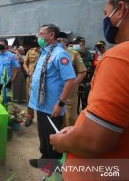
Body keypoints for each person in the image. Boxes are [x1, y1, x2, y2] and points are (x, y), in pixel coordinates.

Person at [50, 0, 129, 179]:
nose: (105, 20)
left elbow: (92, 142)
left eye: (106, 13)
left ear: (121, 10)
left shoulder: (125, 57)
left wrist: (61, 141)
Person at [28, 24, 75, 167]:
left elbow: (70, 79)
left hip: (52, 105)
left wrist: (60, 103)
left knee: (52, 135)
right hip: (40, 103)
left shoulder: (59, 54)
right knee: (43, 134)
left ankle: (53, 164)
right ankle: (44, 158)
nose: (38, 36)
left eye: (41, 33)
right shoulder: (44, 52)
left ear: (51, 35)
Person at [57, 34, 87, 127]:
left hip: (70, 90)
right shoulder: (53, 54)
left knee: (70, 116)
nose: (56, 43)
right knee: (59, 115)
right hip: (57, 89)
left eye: (58, 41)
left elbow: (82, 72)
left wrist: (73, 84)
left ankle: (72, 136)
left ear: (65, 42)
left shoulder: (74, 54)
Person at [71, 36, 94, 112]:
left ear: (82, 44)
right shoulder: (72, 55)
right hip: (75, 85)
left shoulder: (91, 55)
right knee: (74, 108)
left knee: (86, 107)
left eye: (76, 44)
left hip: (86, 85)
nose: (74, 45)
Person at [23, 39, 40, 127]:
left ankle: (42, 119)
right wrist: (28, 72)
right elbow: (25, 64)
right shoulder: (30, 51)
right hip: (30, 78)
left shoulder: (46, 51)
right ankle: (30, 117)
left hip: (42, 80)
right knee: (29, 98)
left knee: (41, 98)